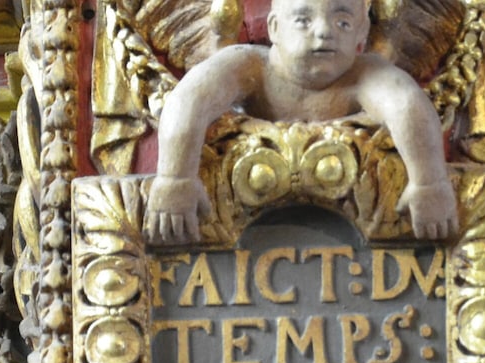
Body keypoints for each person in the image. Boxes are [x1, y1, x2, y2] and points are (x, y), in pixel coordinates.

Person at [144, 0, 459, 243]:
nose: (324, 31)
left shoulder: (365, 74)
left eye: (343, 22)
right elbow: (189, 100)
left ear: (362, 32)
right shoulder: (248, 64)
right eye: (303, 20)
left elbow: (408, 106)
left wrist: (428, 183)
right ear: (274, 28)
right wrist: (175, 180)